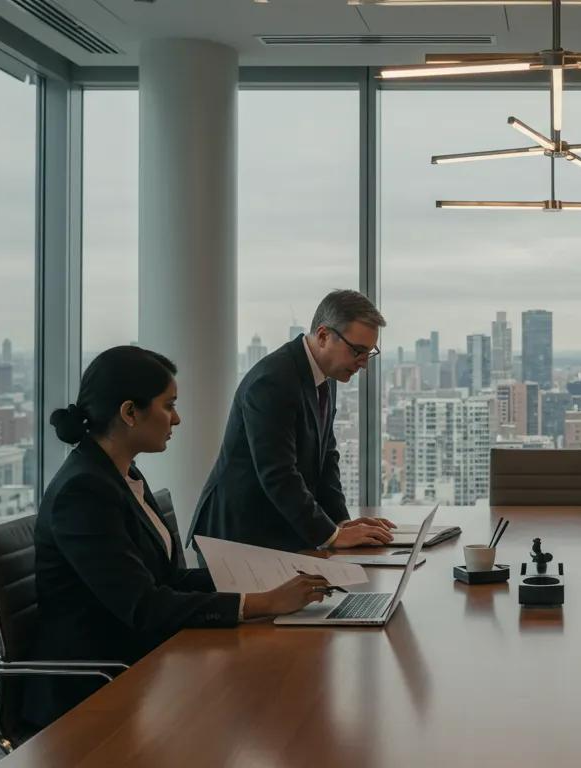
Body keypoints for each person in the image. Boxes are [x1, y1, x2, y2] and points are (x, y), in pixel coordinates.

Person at [25, 346, 330, 730]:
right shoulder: (83, 491)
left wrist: (270, 576)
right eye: (169, 406)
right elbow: (144, 605)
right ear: (130, 412)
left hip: (142, 664)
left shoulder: (121, 475)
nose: (178, 418)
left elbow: (167, 579)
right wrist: (260, 602)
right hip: (96, 691)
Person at [189, 290, 393, 555]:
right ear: (322, 336)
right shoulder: (273, 381)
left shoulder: (323, 377)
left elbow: (326, 458)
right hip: (239, 538)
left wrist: (341, 522)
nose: (364, 364)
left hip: (276, 532)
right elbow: (278, 473)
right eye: (357, 351)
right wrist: (332, 535)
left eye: (370, 353)